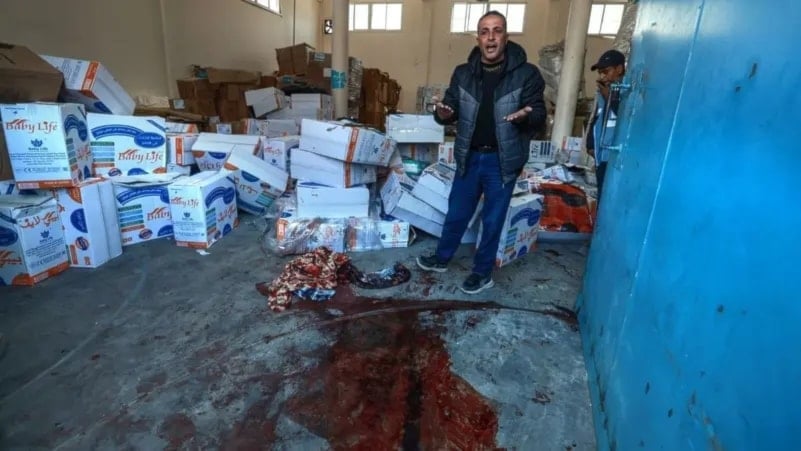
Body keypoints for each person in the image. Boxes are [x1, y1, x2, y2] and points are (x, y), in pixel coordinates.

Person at [416, 10, 546, 294]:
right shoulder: (463, 73)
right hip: (469, 157)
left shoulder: (527, 74)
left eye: (497, 30)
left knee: (492, 219)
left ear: (506, 36)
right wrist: (443, 113)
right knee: (457, 212)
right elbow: (448, 111)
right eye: (485, 31)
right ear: (478, 39)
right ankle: (441, 257)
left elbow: (539, 115)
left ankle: (482, 272)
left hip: (503, 160)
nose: (491, 37)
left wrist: (527, 115)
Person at [584, 49, 626, 200]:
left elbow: (625, 118)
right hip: (601, 155)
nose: (602, 76)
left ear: (619, 69)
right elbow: (596, 118)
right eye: (600, 73)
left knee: (611, 198)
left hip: (614, 158)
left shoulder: (627, 92)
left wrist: (610, 98)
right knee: (602, 195)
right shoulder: (603, 92)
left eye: (606, 71)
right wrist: (590, 144)